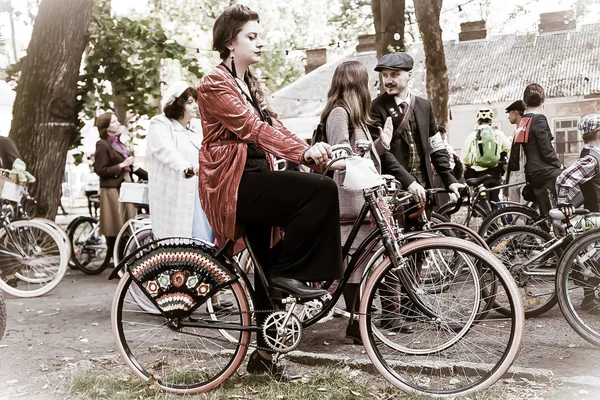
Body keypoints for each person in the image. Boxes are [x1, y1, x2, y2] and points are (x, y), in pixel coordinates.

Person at [197, 4, 343, 378]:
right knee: (321, 192)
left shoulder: (250, 84)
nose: (260, 43)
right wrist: (305, 156)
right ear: (230, 43)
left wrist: (316, 151)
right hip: (236, 184)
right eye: (252, 36)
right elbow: (252, 130)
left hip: (257, 175)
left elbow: (276, 126)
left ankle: (264, 357)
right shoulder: (215, 84)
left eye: (259, 36)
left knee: (267, 272)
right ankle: (295, 272)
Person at [321, 60, 394, 345]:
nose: (370, 87)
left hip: (361, 200)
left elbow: (360, 156)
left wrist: (381, 144)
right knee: (354, 264)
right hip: (349, 202)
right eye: (366, 81)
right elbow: (341, 158)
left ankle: (360, 321)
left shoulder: (357, 118)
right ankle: (357, 322)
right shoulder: (339, 114)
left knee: (360, 264)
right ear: (356, 84)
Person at [370, 52, 464, 217]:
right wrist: (409, 182)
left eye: (395, 74)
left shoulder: (424, 106)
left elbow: (436, 146)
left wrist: (450, 180)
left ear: (409, 75)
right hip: (394, 193)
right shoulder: (375, 108)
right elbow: (383, 154)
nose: (388, 80)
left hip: (424, 190)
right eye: (384, 75)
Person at [145, 81, 214, 242]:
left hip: (201, 193)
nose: (196, 106)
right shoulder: (161, 124)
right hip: (176, 192)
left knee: (206, 240)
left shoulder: (196, 127)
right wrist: (185, 168)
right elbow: (165, 151)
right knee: (180, 239)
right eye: (190, 102)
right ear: (177, 104)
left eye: (196, 101)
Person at [555, 114, 600, 315]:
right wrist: (563, 202)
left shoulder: (594, 154)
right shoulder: (592, 157)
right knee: (594, 257)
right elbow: (564, 178)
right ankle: (590, 299)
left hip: (595, 214)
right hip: (595, 215)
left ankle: (590, 297)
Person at [93, 112, 144, 263]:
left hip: (126, 186)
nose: (117, 123)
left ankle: (124, 257)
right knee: (115, 224)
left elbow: (130, 164)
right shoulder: (102, 144)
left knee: (127, 223)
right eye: (114, 122)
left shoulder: (118, 143)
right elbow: (100, 170)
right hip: (112, 188)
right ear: (106, 126)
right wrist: (122, 165)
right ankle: (116, 258)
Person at [508, 84, 562, 217]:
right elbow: (546, 149)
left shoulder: (524, 121)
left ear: (525, 101)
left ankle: (546, 224)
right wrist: (559, 164)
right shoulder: (539, 119)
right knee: (570, 181)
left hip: (530, 171)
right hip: (542, 170)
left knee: (545, 208)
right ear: (543, 100)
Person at [461, 108, 511, 206]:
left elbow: (465, 157)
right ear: (491, 121)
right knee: (495, 200)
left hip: (479, 174)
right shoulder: (498, 134)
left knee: (483, 202)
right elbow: (509, 149)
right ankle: (496, 218)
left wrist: (468, 164)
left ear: (478, 121)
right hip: (495, 173)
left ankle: (487, 218)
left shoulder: (472, 135)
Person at [505, 100, 527, 203]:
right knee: (514, 209)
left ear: (515, 112)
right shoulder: (515, 132)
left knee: (526, 209)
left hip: (523, 175)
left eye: (509, 113)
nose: (508, 117)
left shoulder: (526, 130)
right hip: (513, 175)